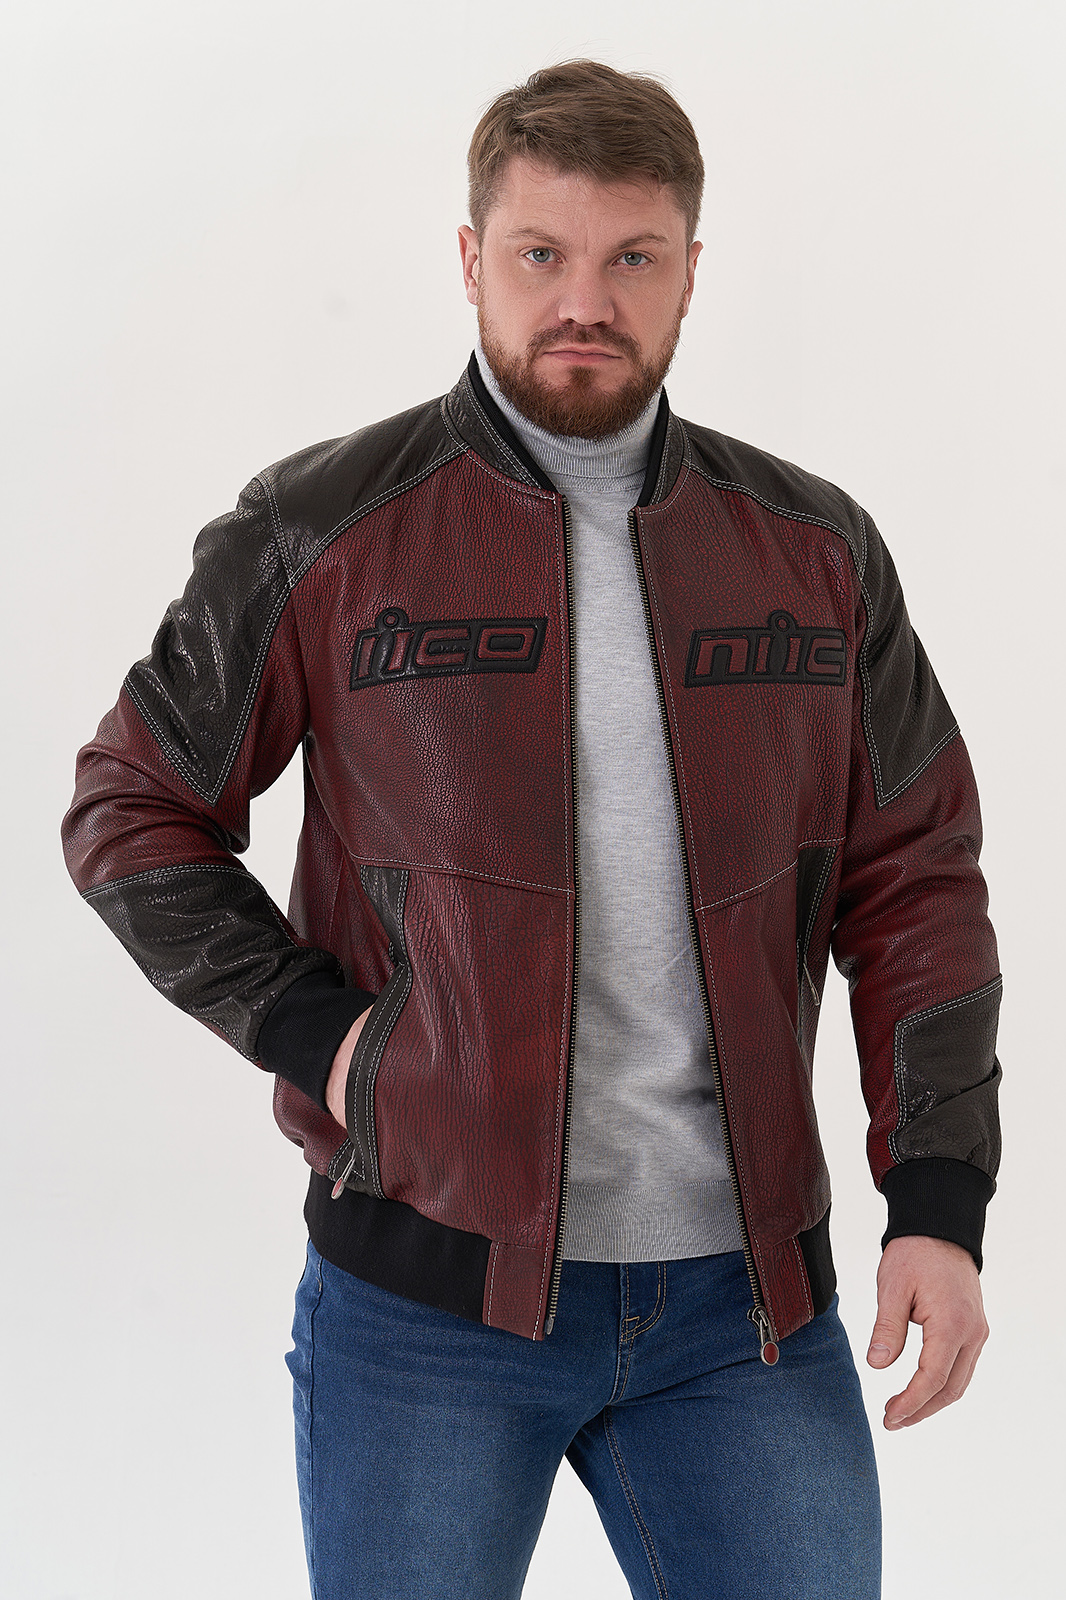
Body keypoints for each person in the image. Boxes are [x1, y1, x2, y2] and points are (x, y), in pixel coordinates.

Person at [62, 58, 1002, 1600]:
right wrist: (324, 1038)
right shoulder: (323, 529)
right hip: (422, 1307)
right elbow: (132, 804)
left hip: (743, 1315)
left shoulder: (813, 550)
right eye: (540, 254)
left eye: (632, 257)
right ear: (469, 259)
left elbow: (916, 885)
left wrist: (940, 1204)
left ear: (690, 268)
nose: (584, 301)